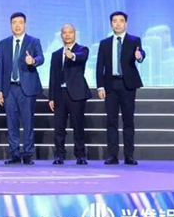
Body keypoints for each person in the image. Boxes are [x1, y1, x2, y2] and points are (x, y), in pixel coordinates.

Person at [96, 11, 145, 165]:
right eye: (115, 21)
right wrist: (100, 86)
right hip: (110, 85)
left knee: (128, 120)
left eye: (121, 21)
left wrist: (140, 56)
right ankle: (112, 155)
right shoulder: (104, 43)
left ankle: (129, 155)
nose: (118, 24)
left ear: (126, 23)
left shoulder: (134, 40)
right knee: (111, 121)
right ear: (111, 24)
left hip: (127, 84)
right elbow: (100, 66)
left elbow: (141, 53)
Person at [0, 12, 44, 165]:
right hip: (9, 88)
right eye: (14, 22)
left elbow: (41, 58)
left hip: (27, 89)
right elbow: (0, 67)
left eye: (20, 22)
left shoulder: (33, 41)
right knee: (11, 123)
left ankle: (28, 153)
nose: (17, 25)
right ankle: (14, 153)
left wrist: (33, 61)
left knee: (28, 122)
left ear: (25, 24)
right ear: (11, 25)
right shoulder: (4, 43)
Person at [48, 24, 91, 165]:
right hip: (59, 94)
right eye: (64, 32)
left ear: (75, 34)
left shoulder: (82, 50)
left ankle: (80, 155)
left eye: (70, 32)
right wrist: (51, 97)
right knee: (59, 127)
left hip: (76, 94)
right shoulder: (56, 54)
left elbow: (81, 58)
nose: (67, 35)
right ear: (61, 35)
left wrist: (71, 55)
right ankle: (59, 155)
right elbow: (53, 76)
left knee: (78, 126)